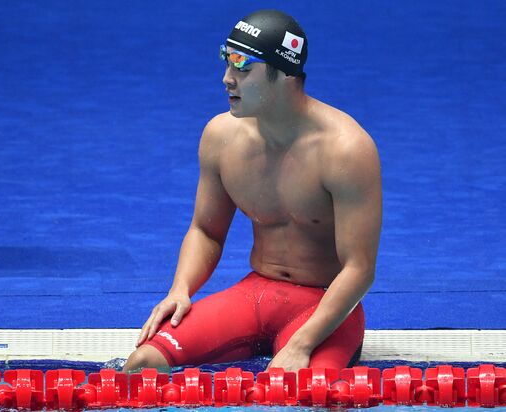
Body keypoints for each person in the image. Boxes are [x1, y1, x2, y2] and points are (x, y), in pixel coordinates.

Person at [123, 9, 382, 373]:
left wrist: (302, 343)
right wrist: (179, 289)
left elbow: (360, 269)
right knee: (142, 364)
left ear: (285, 75)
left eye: (243, 68)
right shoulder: (221, 137)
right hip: (255, 294)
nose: (227, 80)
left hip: (326, 308)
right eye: (226, 62)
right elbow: (206, 230)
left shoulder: (346, 150)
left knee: (293, 390)